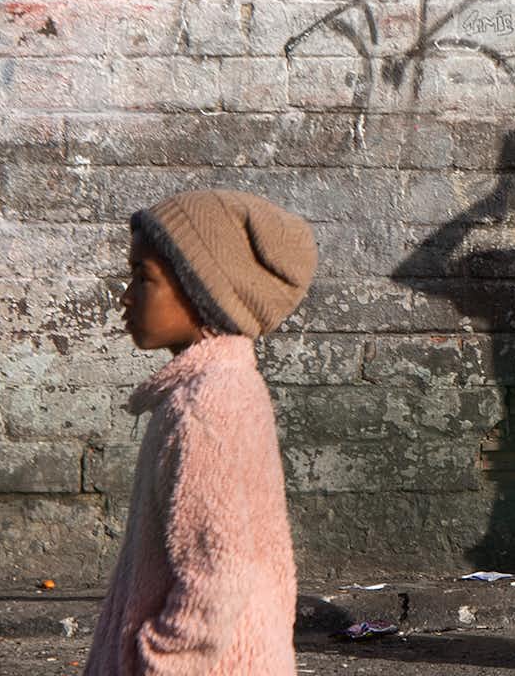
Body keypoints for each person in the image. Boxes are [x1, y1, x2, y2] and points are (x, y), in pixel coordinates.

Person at [88, 189, 318, 676]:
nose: (126, 296)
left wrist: (164, 660)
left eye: (143, 277)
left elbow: (217, 573)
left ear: (200, 293)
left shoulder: (202, 408)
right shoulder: (229, 386)